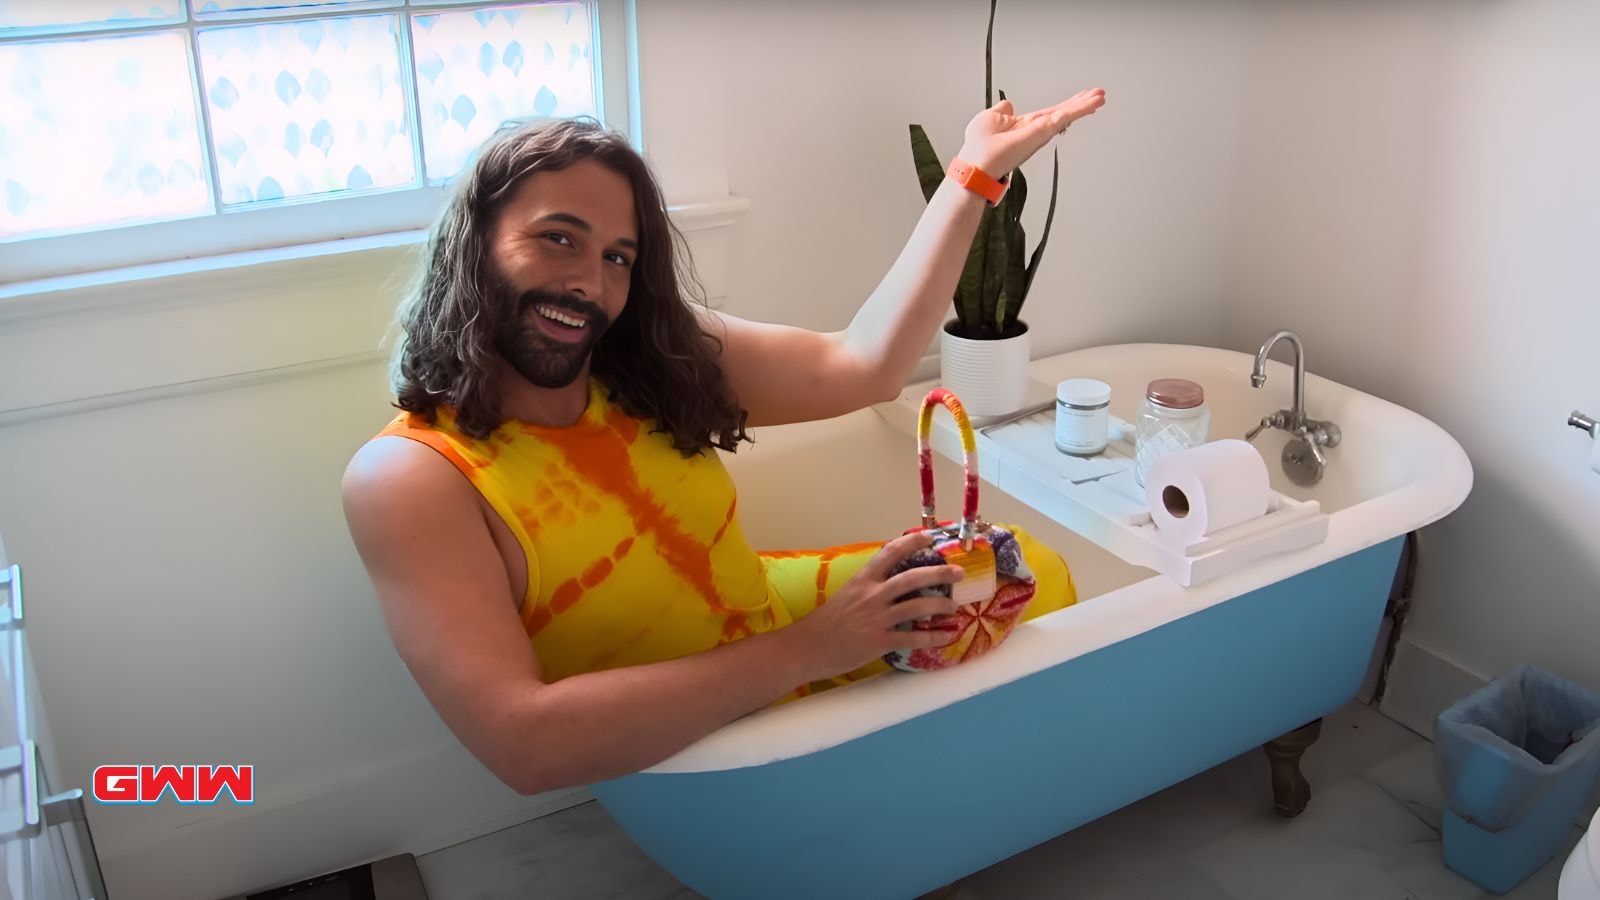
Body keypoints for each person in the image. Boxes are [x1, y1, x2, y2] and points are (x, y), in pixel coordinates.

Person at [342, 86, 1108, 796]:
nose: (590, 282)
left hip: (775, 619)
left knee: (1020, 570)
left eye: (617, 258)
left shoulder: (644, 361)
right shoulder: (414, 478)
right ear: (474, 245)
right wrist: (818, 647)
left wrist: (972, 171)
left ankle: (989, 795)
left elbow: (864, 366)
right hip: (693, 707)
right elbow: (523, 745)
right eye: (558, 239)